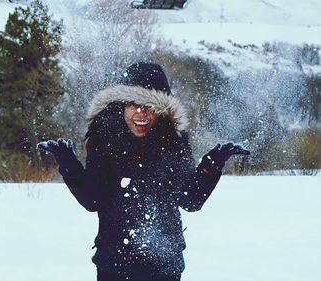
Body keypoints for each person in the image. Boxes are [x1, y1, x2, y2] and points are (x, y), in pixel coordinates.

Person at [38, 62, 250, 281]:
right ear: (121, 106)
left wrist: (210, 166)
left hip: (163, 269)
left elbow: (190, 200)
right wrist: (70, 167)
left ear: (162, 111)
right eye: (133, 105)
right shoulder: (105, 139)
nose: (141, 113)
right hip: (113, 266)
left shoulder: (172, 143)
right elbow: (93, 200)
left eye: (149, 106)